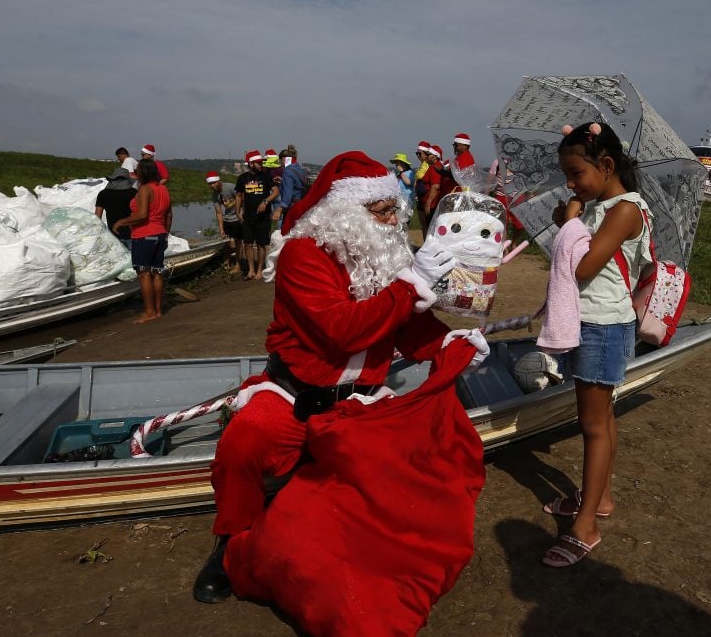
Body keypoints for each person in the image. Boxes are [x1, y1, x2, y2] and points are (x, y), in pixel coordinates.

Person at [191, 150, 488, 613]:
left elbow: (406, 325)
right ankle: (229, 542)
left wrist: (452, 345)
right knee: (243, 443)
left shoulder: (385, 256)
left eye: (395, 210)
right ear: (343, 213)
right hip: (293, 394)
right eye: (381, 211)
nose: (393, 221)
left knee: (407, 473)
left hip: (362, 400)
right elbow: (340, 329)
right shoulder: (301, 256)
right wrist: (410, 285)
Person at [538, 122, 651, 568]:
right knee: (602, 418)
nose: (570, 183)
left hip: (602, 327)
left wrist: (571, 222)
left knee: (593, 426)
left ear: (606, 166)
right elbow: (569, 250)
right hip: (593, 322)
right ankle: (599, 498)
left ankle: (586, 525)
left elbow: (582, 268)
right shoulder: (598, 205)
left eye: (576, 173)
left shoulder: (624, 211)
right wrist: (570, 214)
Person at [112, 159, 173, 324]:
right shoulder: (163, 189)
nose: (136, 174)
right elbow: (168, 216)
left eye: (137, 171)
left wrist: (120, 222)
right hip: (160, 234)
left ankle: (149, 312)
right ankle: (158, 310)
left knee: (144, 274)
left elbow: (142, 215)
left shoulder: (145, 189)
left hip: (144, 235)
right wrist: (165, 234)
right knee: (157, 272)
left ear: (143, 173)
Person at [234, 150, 279, 280]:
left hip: (263, 217)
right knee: (247, 243)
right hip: (248, 216)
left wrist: (265, 201)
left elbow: (275, 191)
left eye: (261, 162)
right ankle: (251, 270)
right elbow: (238, 195)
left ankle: (260, 270)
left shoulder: (265, 176)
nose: (261, 164)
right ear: (251, 163)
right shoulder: (242, 178)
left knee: (261, 243)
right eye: (258, 163)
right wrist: (237, 211)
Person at [206, 172, 242, 273]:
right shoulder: (215, 196)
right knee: (225, 242)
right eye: (210, 184)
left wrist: (241, 214)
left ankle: (238, 265)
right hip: (227, 219)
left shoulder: (230, 187)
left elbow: (241, 197)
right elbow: (218, 212)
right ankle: (227, 263)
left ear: (219, 181)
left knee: (238, 242)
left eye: (214, 183)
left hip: (237, 218)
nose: (212, 186)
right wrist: (221, 228)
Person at [95, 167, 136, 248]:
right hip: (132, 233)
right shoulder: (134, 193)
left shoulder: (103, 194)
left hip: (112, 235)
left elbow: (97, 216)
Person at [272, 145, 305, 229]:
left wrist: (279, 209)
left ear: (284, 159)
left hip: (290, 207)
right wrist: (283, 181)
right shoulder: (299, 169)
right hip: (299, 204)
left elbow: (288, 195)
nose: (280, 163)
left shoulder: (287, 171)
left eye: (280, 160)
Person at [390, 152, 415, 219]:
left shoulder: (410, 173)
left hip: (407, 200)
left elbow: (409, 182)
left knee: (404, 219)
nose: (396, 165)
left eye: (397, 163)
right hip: (399, 200)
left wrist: (401, 172)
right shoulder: (399, 174)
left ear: (402, 164)